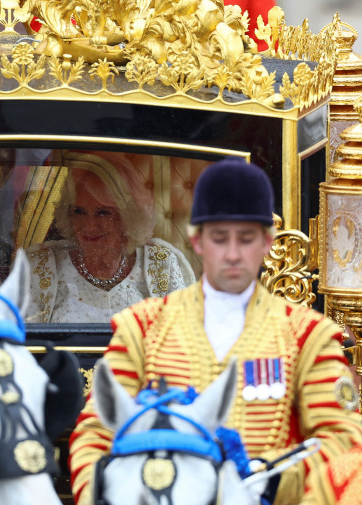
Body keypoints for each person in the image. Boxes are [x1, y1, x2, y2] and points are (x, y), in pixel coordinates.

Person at [68, 157, 362, 505]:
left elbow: (343, 439)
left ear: (267, 242)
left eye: (246, 238)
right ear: (197, 241)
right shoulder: (144, 327)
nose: (233, 254)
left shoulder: (305, 336)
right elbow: (95, 432)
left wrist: (267, 480)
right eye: (220, 238)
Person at [25, 150, 195, 323]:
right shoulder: (41, 267)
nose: (89, 226)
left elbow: (184, 339)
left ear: (127, 216)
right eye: (78, 211)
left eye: (103, 212)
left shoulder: (161, 265)